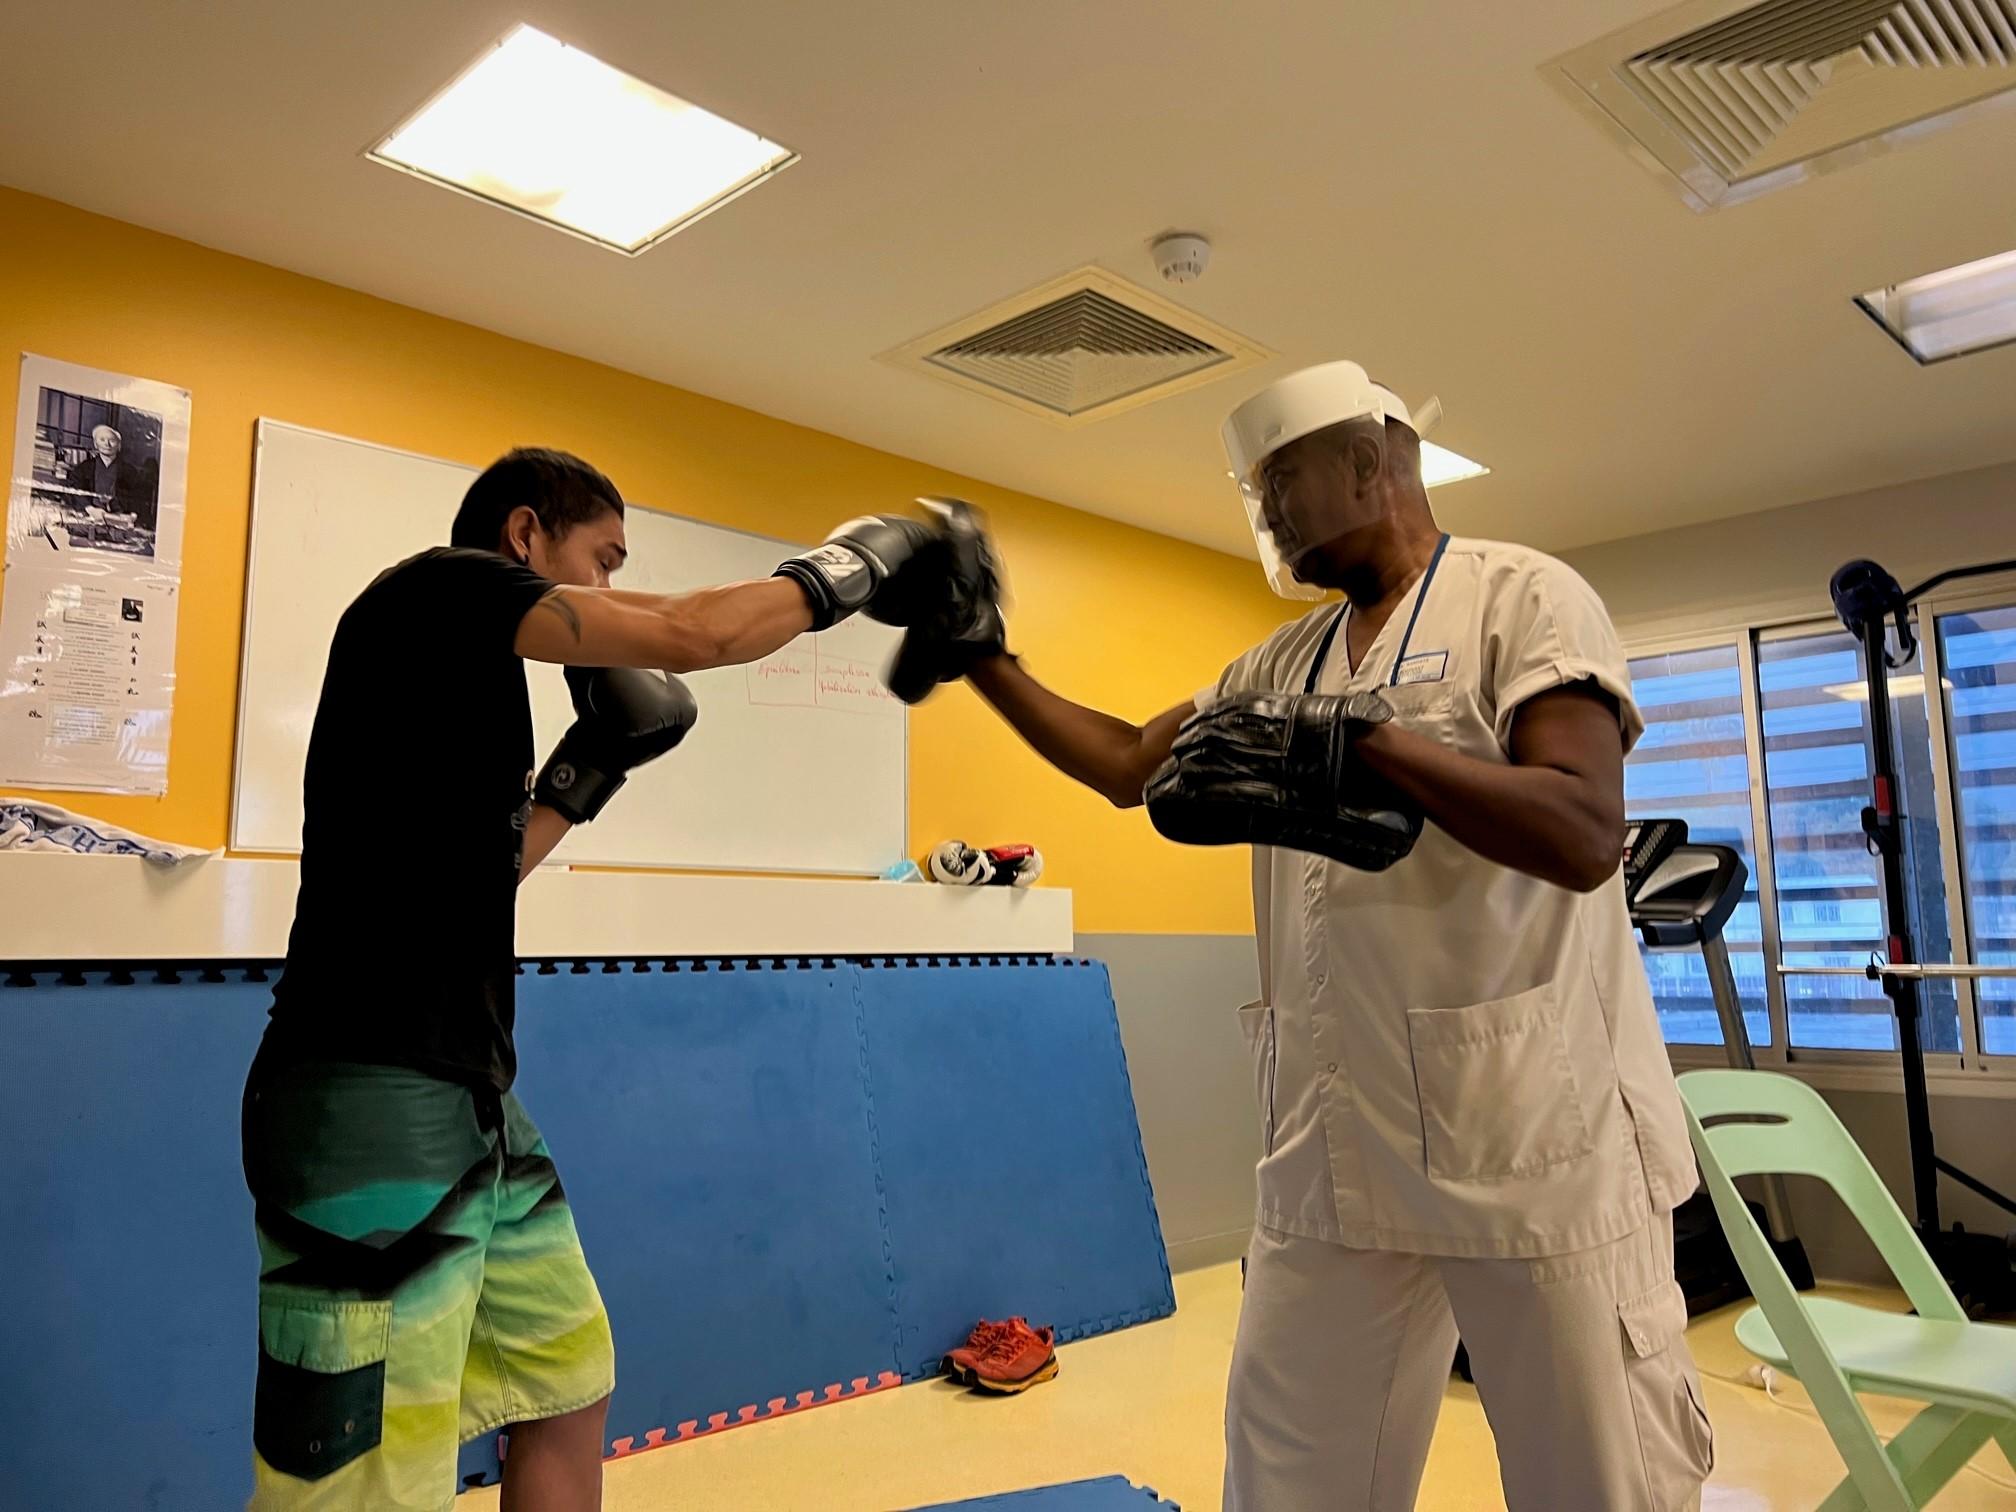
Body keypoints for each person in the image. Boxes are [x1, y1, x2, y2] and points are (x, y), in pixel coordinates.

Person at [895, 364, 1714, 1511]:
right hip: (1336, 1146)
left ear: (1371, 464)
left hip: (1532, 1138)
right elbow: (1132, 762)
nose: (1268, 517)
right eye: (1255, 493)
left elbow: (1583, 831)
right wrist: (980, 654)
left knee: (1596, 1482)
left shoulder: (1524, 598)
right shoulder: (1281, 660)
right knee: (1286, 1476)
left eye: (1283, 484)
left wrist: (1366, 747)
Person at [240, 447, 950, 1512]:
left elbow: (487, 883)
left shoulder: (457, 688)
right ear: (525, 536)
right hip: (365, 1096)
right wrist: (856, 567)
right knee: (360, 1482)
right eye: (603, 560)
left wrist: (589, 769)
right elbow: (699, 634)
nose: (610, 589)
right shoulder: (442, 586)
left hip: (470, 1095)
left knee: (567, 1379)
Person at [65, 423, 154, 526]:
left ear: (119, 445)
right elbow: (74, 489)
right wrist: (90, 508)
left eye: (112, 440)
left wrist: (133, 514)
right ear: (95, 444)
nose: (107, 444)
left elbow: (139, 495)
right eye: (102, 440)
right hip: (91, 516)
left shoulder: (129, 471)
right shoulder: (84, 468)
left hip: (120, 519)